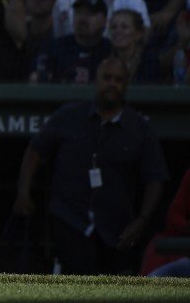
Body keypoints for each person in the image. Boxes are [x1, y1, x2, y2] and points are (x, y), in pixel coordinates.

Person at [14, 57, 168, 275]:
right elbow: (35, 150)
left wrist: (141, 221)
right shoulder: (68, 115)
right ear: (96, 81)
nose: (112, 84)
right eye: (107, 78)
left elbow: (155, 178)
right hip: (69, 217)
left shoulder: (139, 128)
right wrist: (23, 191)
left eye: (118, 79)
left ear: (126, 84)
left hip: (115, 226)